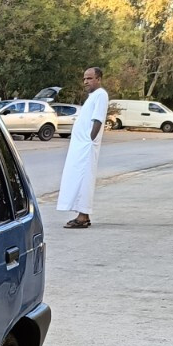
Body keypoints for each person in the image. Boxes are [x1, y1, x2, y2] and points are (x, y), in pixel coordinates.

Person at [58, 66, 108, 229]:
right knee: (77, 179)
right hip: (80, 146)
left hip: (86, 146)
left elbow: (98, 119)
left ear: (98, 79)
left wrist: (89, 140)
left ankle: (83, 217)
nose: (85, 81)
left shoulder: (101, 95)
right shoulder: (93, 96)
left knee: (84, 179)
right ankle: (82, 214)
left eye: (90, 78)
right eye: (84, 78)